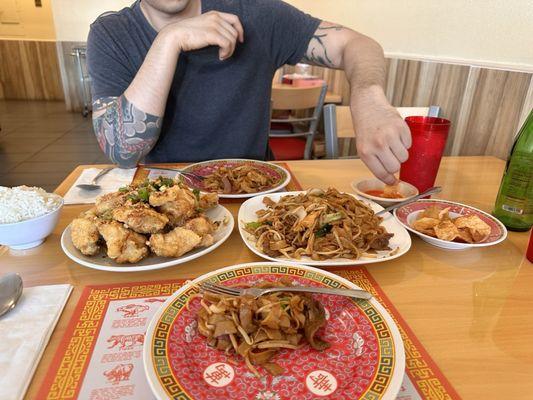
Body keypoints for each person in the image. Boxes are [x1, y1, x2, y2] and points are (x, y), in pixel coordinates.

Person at [87, 0, 411, 185]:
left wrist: (368, 99)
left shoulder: (254, 13)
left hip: (257, 196)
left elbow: (357, 45)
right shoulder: (111, 34)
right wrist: (168, 40)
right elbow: (122, 152)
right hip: (167, 198)